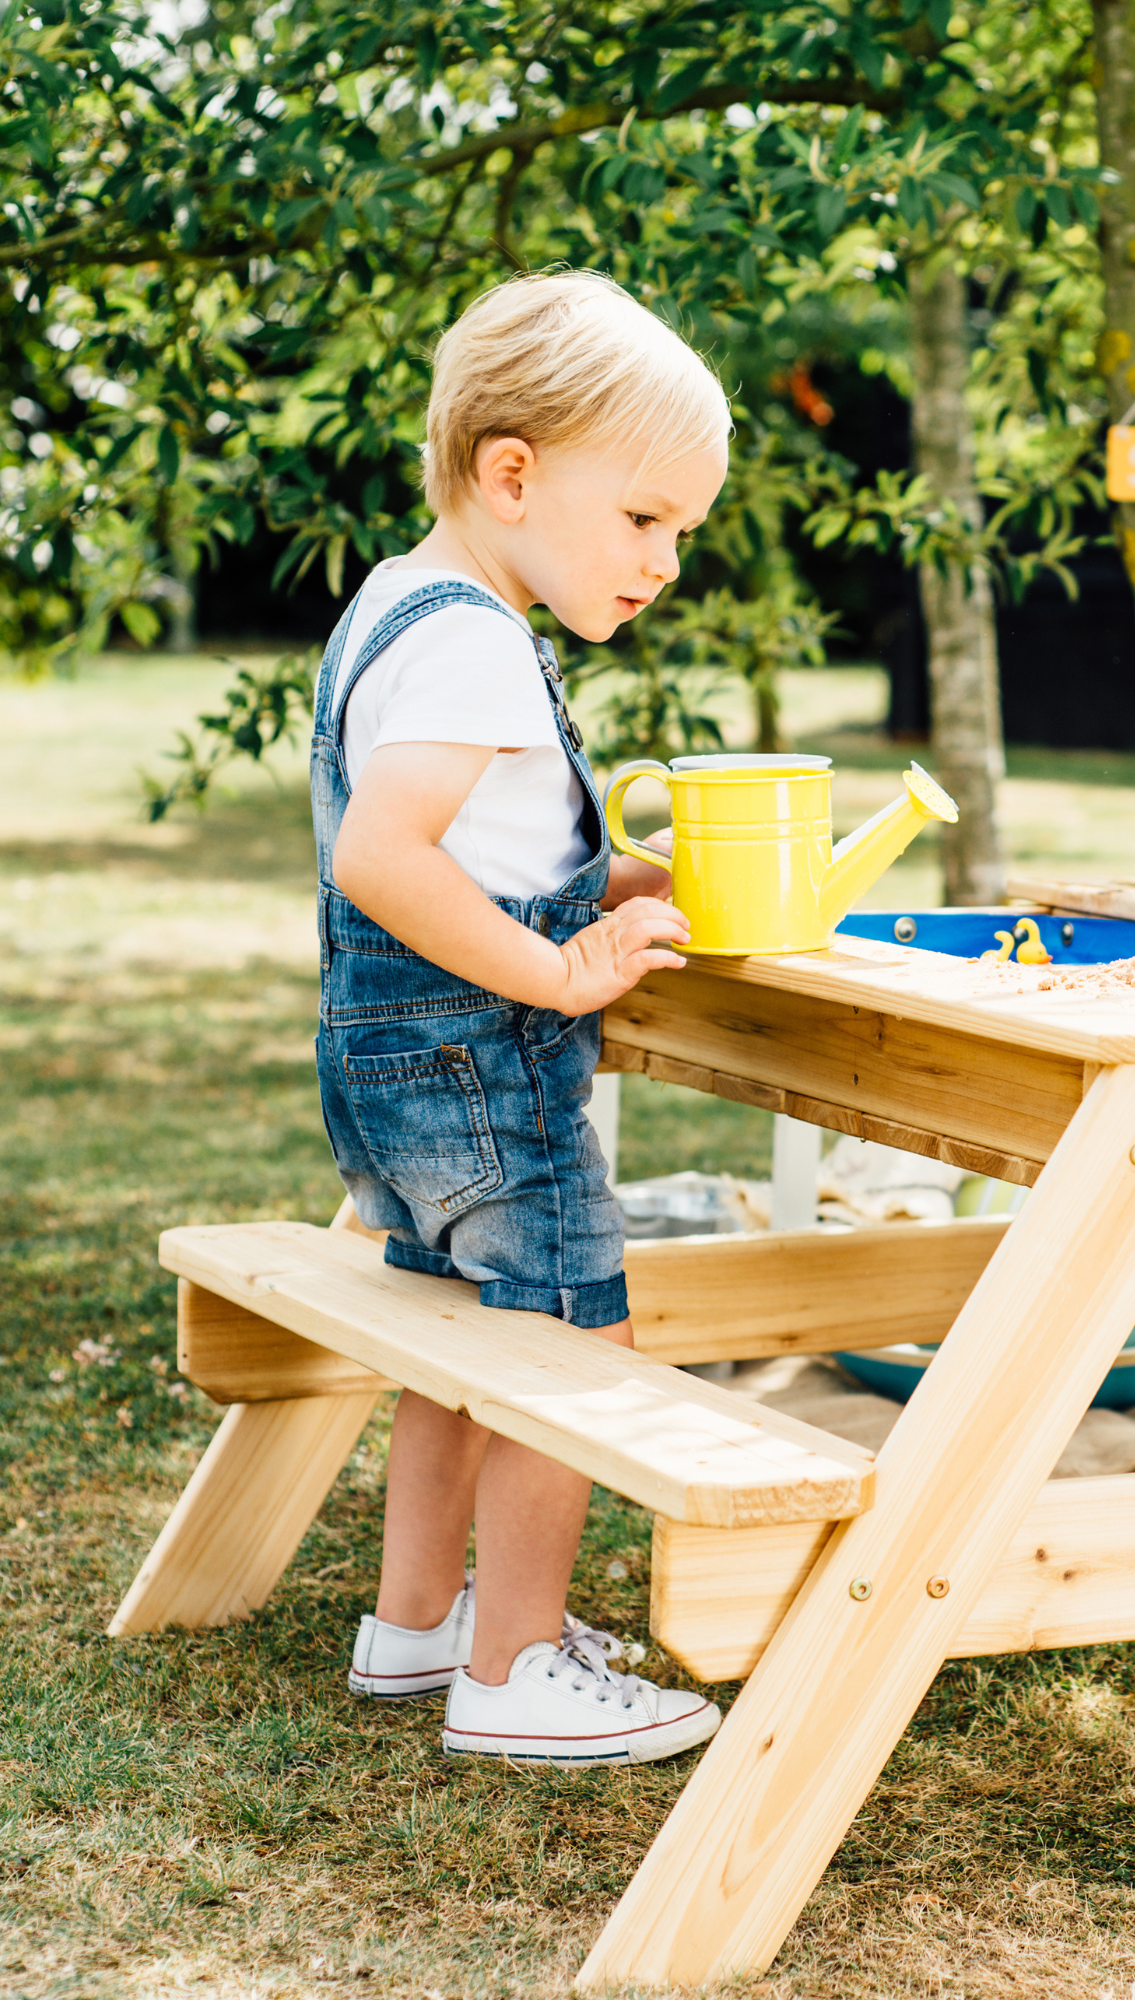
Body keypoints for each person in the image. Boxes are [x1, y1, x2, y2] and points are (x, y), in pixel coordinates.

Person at [316, 270, 731, 1766]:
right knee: (572, 1330)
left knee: (456, 1340)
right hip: (479, 1062)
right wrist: (562, 974)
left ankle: (419, 1625)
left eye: (681, 530)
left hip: (391, 1063)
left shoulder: (403, 607)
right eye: (644, 519)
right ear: (512, 475)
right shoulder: (477, 641)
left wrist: (616, 878)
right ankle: (517, 1672)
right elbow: (384, 852)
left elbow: (477, 846)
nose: (666, 559)